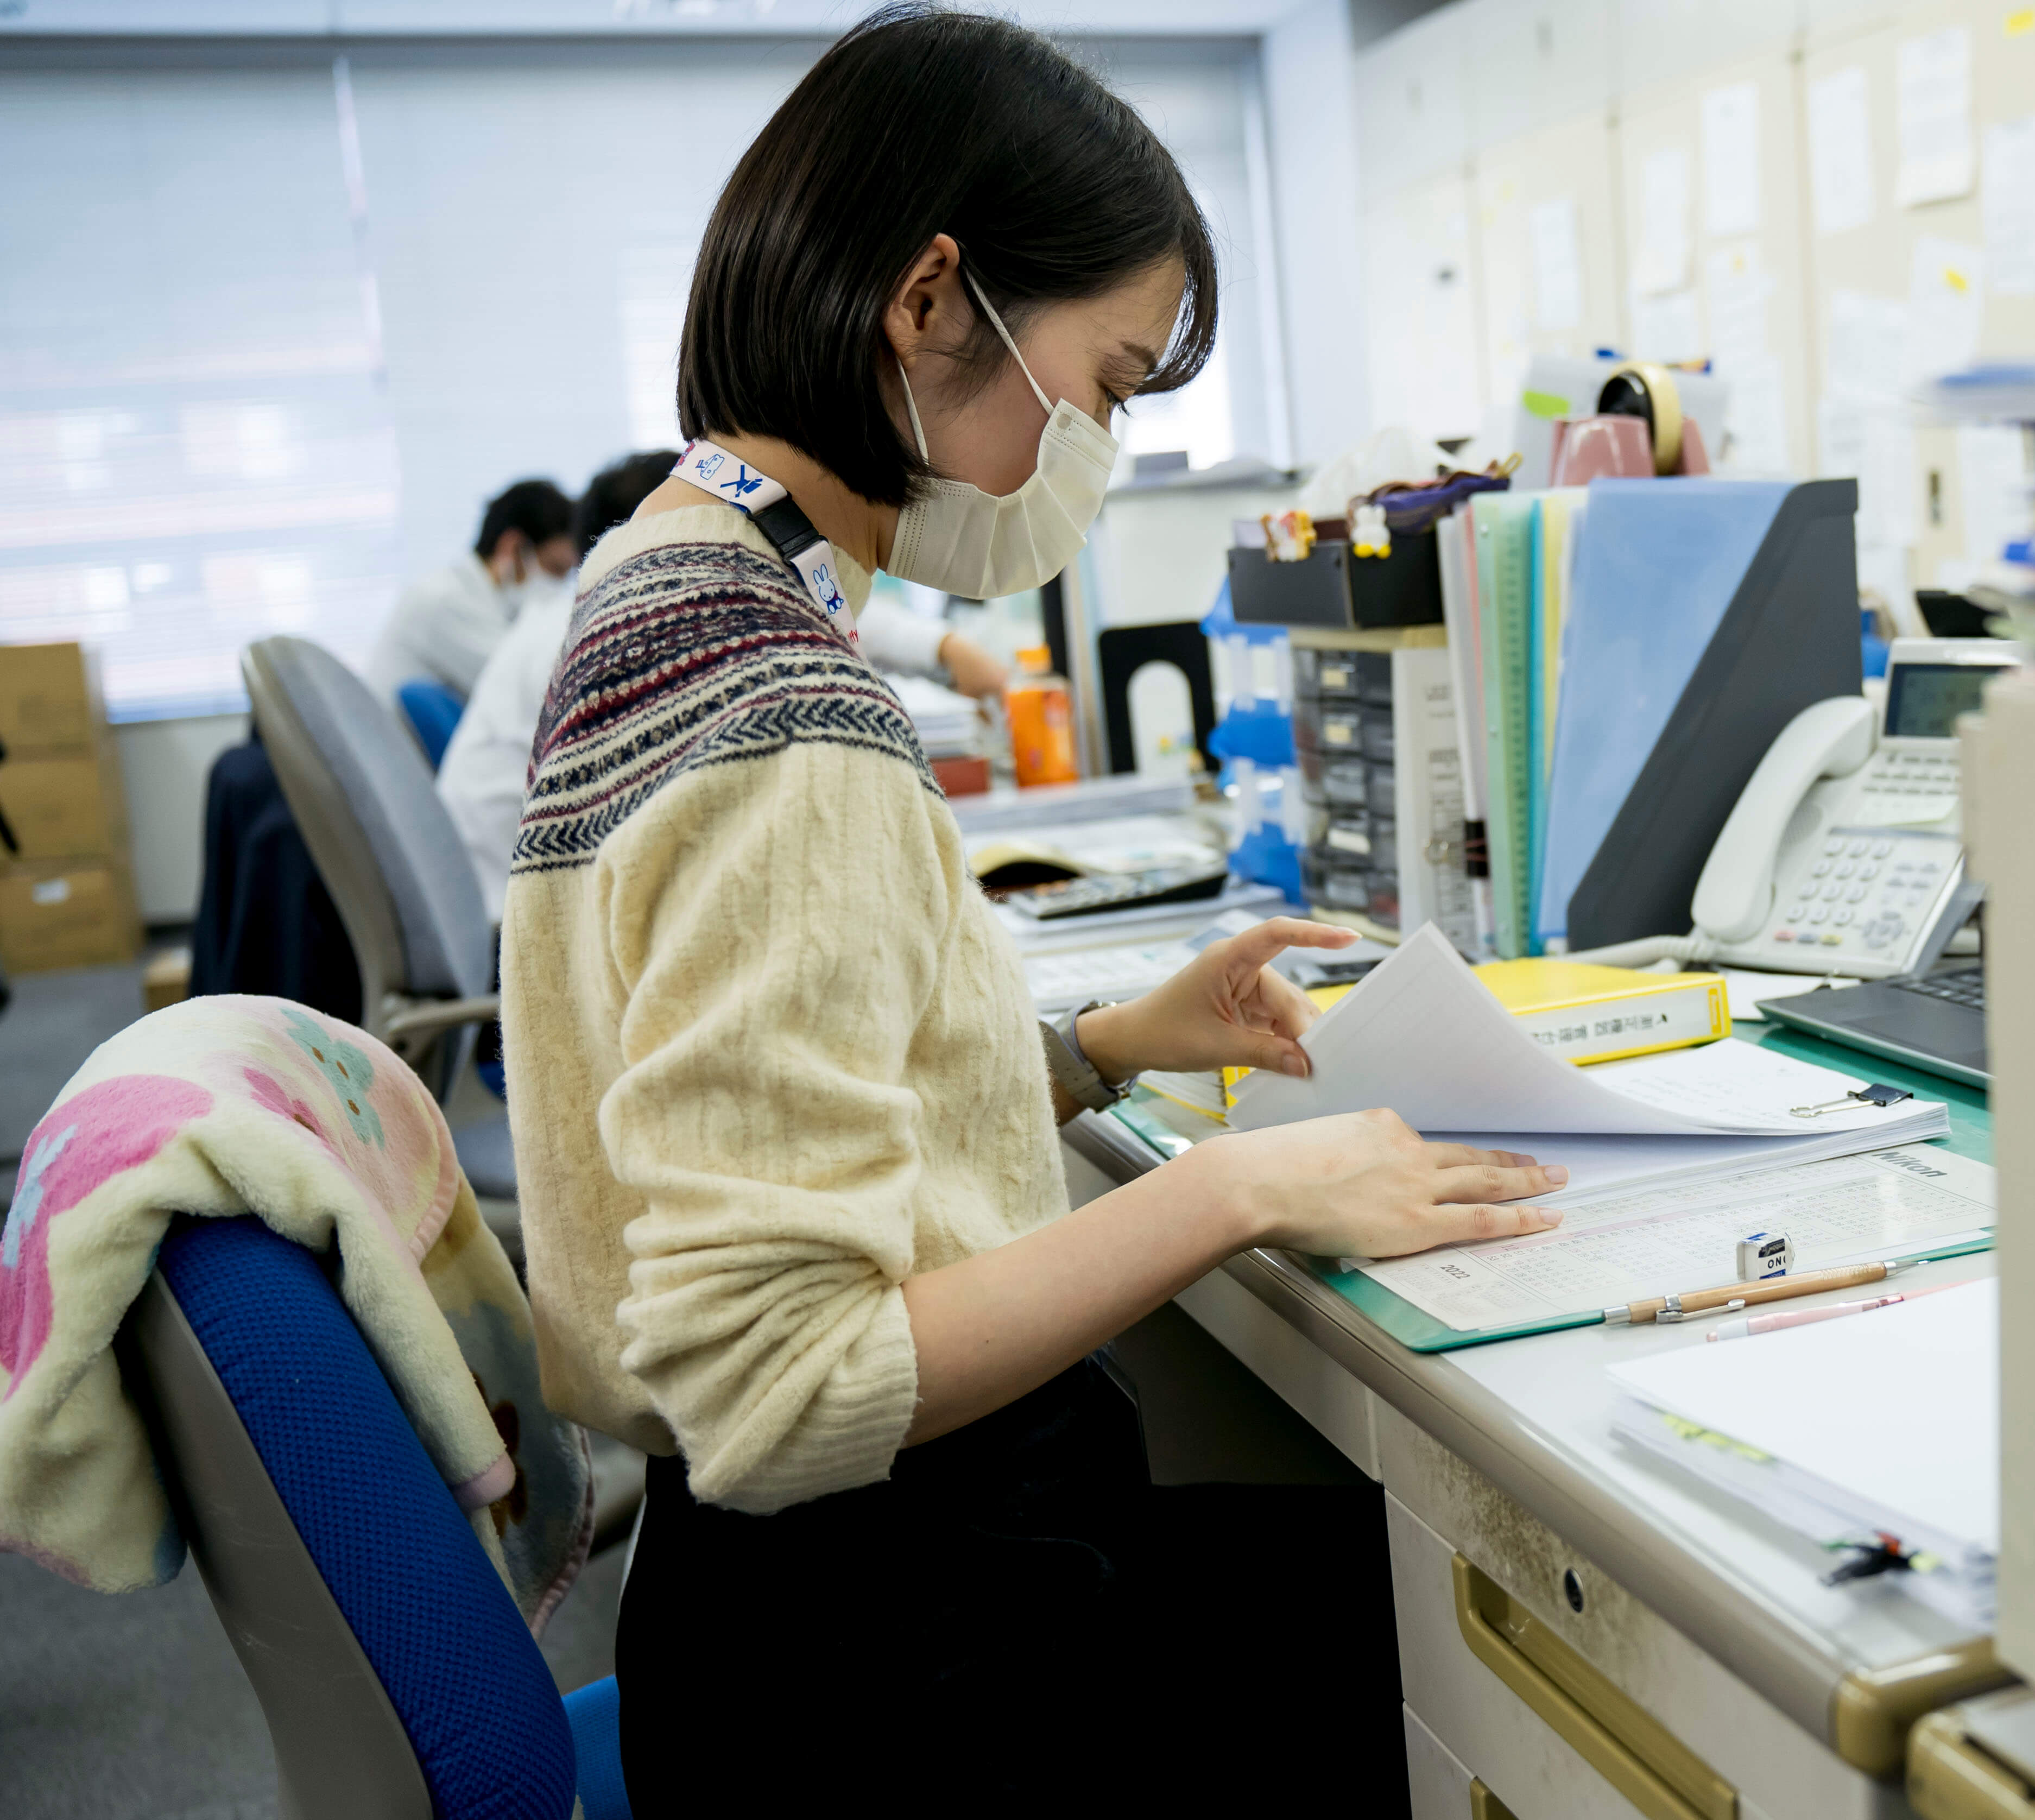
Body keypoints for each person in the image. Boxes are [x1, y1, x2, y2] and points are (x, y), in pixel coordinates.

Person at [500, 9, 1558, 1810]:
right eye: (1115, 381)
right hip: (899, 1658)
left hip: (765, 1629)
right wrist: (1244, 1186)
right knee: (1466, 1637)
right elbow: (786, 1385)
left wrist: (1086, 1052)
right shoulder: (788, 721)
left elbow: (749, 1105)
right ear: (932, 303)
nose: (1107, 443)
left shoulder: (661, 579)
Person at [438, 451, 1018, 915]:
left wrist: (944, 648)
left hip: (521, 897)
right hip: (517, 920)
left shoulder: (593, 607)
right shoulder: (623, 625)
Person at [365, 477, 575, 702]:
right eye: (556, 569)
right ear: (513, 547)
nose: (559, 584)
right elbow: (532, 688)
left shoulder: (487, 602)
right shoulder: (445, 600)